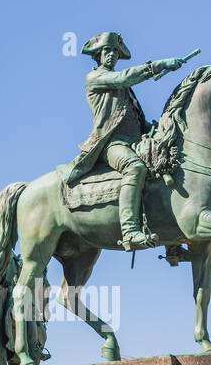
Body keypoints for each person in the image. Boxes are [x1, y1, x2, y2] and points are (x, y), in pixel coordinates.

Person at [63, 33, 187, 251]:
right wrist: (159, 65)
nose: (111, 55)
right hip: (111, 144)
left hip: (134, 142)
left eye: (115, 52)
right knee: (135, 168)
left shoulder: (125, 90)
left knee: (164, 163)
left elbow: (133, 118)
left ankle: (172, 239)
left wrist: (157, 129)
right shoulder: (95, 78)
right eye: (107, 51)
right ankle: (130, 231)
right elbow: (124, 78)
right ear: (98, 55)